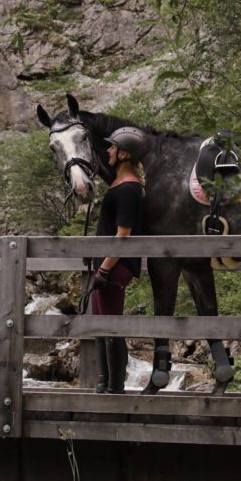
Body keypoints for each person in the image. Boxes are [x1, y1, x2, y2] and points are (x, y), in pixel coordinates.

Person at [89, 127, 147, 393]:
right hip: (106, 263)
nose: (108, 150)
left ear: (124, 154)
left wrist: (104, 268)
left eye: (112, 147)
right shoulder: (119, 185)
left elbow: (123, 234)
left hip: (115, 265)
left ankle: (114, 387)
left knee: (110, 325)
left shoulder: (128, 189)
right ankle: (104, 383)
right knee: (101, 325)